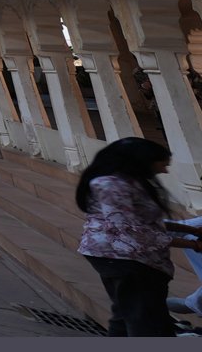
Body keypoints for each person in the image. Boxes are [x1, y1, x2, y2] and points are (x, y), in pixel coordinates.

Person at [77, 137, 202, 336]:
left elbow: (147, 221)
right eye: (162, 165)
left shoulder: (128, 183)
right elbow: (131, 230)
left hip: (128, 258)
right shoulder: (111, 186)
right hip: (125, 258)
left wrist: (192, 231)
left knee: (126, 315)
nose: (165, 171)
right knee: (145, 321)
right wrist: (192, 244)